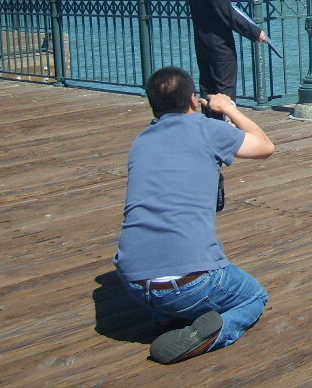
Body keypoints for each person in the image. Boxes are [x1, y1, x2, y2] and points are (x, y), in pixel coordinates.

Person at [113, 66, 275, 364]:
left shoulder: (142, 141)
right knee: (254, 297)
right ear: (192, 101)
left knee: (172, 281)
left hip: (135, 284)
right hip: (193, 282)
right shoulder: (208, 129)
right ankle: (213, 333)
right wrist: (228, 109)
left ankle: (168, 317)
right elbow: (265, 147)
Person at [185, 0, 268, 119]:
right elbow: (227, 14)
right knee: (225, 90)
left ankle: (209, 127)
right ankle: (225, 132)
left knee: (207, 88)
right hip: (219, 45)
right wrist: (255, 32)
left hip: (202, 41)